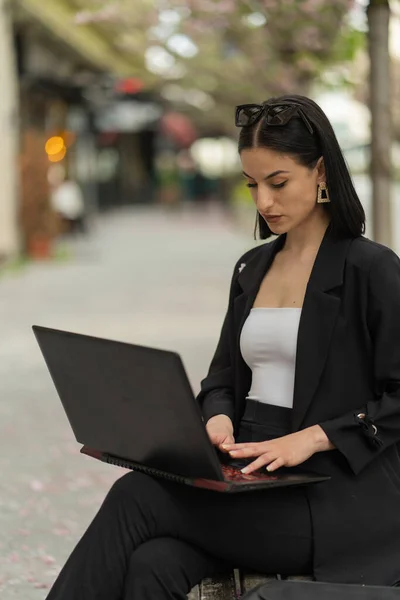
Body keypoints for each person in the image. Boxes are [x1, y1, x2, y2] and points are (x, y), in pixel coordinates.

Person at [45, 95, 400, 599]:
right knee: (153, 564)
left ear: (320, 171)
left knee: (137, 497)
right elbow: (222, 379)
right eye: (252, 185)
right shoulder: (252, 268)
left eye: (278, 183)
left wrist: (315, 437)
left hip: (332, 496)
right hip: (248, 479)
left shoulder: (371, 269)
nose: (264, 203)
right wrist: (216, 419)